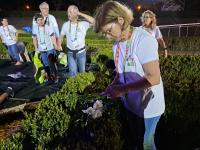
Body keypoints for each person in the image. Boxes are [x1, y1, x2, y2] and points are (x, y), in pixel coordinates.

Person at [94, 1, 165, 150]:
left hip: (149, 107)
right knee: (135, 140)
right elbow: (120, 74)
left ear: (120, 20)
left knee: (147, 143)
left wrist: (122, 90)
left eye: (108, 30)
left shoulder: (144, 40)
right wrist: (112, 86)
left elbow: (154, 77)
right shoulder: (116, 44)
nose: (107, 37)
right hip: (131, 104)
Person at [59, 5, 94, 76]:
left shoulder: (83, 24)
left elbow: (95, 22)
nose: (68, 13)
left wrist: (80, 13)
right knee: (72, 74)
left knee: (82, 73)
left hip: (81, 53)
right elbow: (61, 36)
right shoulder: (65, 25)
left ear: (76, 13)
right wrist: (59, 45)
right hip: (70, 53)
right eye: (68, 11)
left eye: (70, 12)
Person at [32, 13, 59, 83]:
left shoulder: (48, 27)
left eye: (41, 19)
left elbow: (53, 37)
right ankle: (49, 76)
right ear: (36, 21)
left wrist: (55, 45)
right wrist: (36, 48)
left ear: (43, 19)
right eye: (38, 20)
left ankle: (55, 76)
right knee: (45, 64)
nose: (40, 21)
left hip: (50, 48)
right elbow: (34, 39)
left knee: (52, 63)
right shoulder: (35, 29)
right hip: (41, 50)